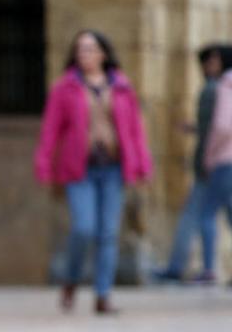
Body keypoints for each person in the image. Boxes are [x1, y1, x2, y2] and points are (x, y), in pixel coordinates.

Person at [35, 30, 152, 314]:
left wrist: (142, 164)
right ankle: (71, 279)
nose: (84, 54)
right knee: (84, 228)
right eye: (80, 49)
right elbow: (51, 129)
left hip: (112, 168)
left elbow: (135, 130)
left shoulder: (122, 87)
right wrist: (44, 161)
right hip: (80, 169)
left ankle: (102, 295)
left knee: (108, 233)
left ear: (103, 53)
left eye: (90, 49)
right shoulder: (65, 88)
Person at [154, 45, 229, 283]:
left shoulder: (217, 88)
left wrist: (207, 157)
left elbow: (219, 128)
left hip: (218, 163)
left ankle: (197, 268)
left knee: (200, 214)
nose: (208, 66)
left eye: (213, 60)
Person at [199, 46, 232, 282]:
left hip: (225, 159)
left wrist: (208, 154)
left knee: (207, 213)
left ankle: (209, 268)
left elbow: (222, 126)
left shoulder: (226, 85)